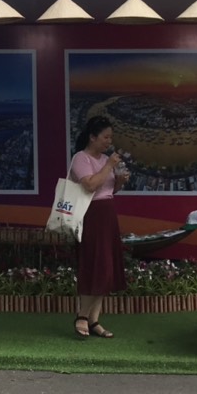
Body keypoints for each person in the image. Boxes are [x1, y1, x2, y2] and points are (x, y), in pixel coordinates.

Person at [69, 115, 127, 339]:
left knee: (107, 267)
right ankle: (82, 316)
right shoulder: (80, 158)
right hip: (90, 214)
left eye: (111, 138)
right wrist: (109, 165)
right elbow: (91, 185)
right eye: (105, 137)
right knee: (95, 264)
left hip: (107, 214)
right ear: (92, 137)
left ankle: (94, 320)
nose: (108, 142)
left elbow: (109, 190)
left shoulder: (105, 159)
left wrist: (119, 181)